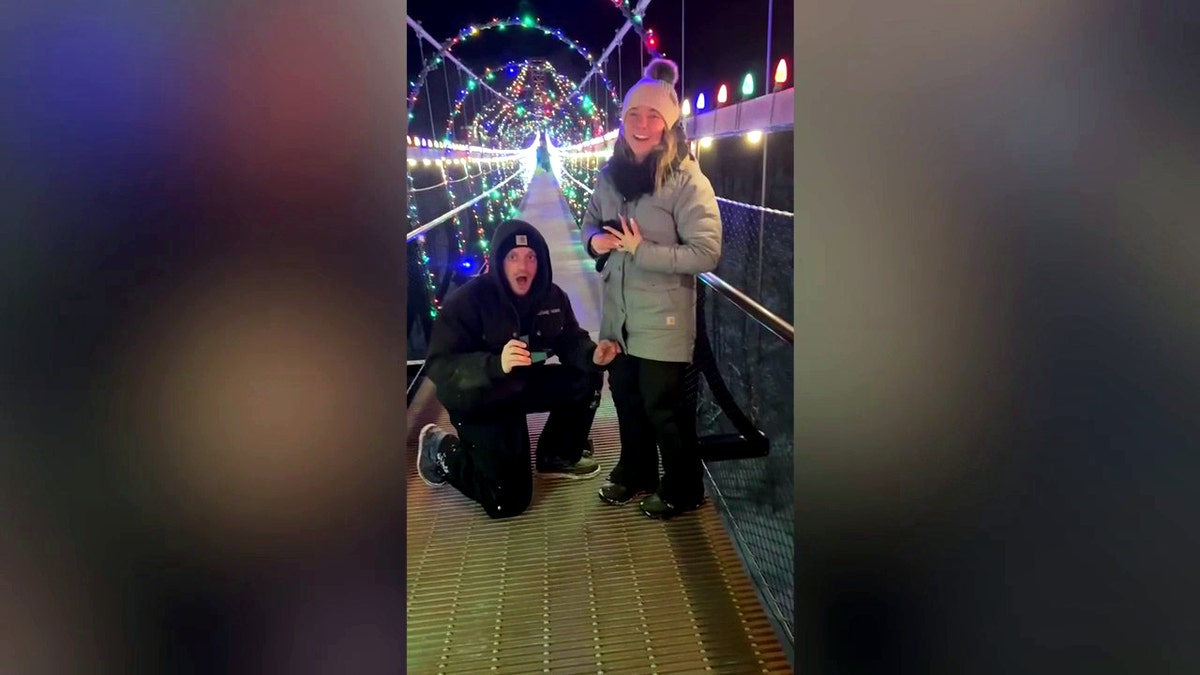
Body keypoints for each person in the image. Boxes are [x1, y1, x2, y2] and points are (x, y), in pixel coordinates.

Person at [581, 57, 723, 519]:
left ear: (669, 125)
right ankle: (636, 471)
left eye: (653, 117)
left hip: (663, 318)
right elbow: (590, 223)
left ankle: (683, 487)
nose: (642, 125)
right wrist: (594, 240)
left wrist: (642, 251)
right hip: (618, 315)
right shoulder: (609, 176)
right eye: (633, 116)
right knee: (625, 397)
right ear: (622, 123)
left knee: (664, 409)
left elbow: (707, 253)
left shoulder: (686, 180)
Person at [417, 218, 622, 519]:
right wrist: (494, 364)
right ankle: (440, 447)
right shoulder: (467, 302)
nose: (522, 265)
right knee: (508, 500)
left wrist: (593, 354)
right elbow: (439, 365)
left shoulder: (552, 296)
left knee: (586, 374)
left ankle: (557, 455)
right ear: (499, 262)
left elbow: (569, 340)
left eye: (531, 257)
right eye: (512, 257)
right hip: (479, 397)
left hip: (521, 385)